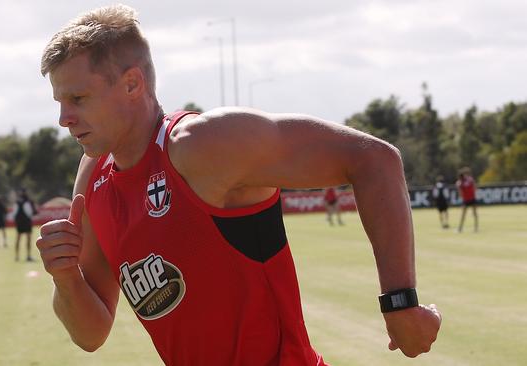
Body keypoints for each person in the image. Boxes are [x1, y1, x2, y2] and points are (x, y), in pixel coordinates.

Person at [36, 5, 441, 365]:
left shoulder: (204, 145)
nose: (64, 118)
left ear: (131, 84)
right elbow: (90, 335)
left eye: (78, 98)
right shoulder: (94, 175)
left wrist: (400, 302)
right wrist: (66, 278)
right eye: (60, 102)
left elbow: (374, 158)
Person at [12, 189, 37, 261]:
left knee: (18, 238)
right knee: (28, 239)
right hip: (27, 222)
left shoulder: (17, 202)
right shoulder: (28, 201)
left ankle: (17, 256)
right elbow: (30, 213)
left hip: (19, 223)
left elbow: (14, 213)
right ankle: (28, 256)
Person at [456, 168, 478, 233]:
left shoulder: (460, 183)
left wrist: (459, 188)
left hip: (466, 200)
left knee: (463, 215)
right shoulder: (470, 179)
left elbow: (460, 194)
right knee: (474, 213)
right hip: (472, 198)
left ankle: (460, 228)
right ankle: (476, 228)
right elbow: (475, 187)